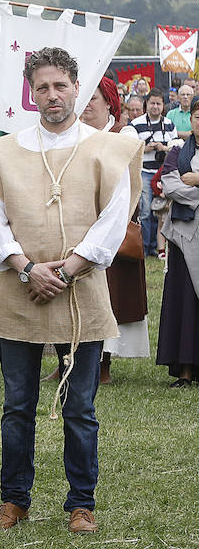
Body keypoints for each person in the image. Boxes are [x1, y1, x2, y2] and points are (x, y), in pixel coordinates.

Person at [0, 47, 142, 536]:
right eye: (42, 87)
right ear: (31, 93)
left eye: (61, 86)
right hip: (18, 289)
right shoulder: (3, 152)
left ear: (77, 88)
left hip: (81, 291)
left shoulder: (107, 148)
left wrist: (66, 271)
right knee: (17, 406)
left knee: (80, 407)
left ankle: (81, 503)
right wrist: (27, 268)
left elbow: (113, 221)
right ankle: (14, 501)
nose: (52, 95)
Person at [79, 78, 148, 383]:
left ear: (108, 102)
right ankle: (69, 357)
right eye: (82, 101)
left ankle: (103, 363)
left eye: (92, 99)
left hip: (113, 225)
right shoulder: (73, 135)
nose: (86, 107)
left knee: (111, 294)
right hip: (79, 223)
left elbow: (129, 181)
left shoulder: (124, 133)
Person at [156, 94, 199, 386]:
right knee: (185, 302)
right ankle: (184, 370)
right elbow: (169, 185)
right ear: (191, 120)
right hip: (184, 236)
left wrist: (197, 179)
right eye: (198, 117)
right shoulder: (178, 151)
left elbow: (183, 185)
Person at [130, 88, 178, 258]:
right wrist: (145, 147)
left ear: (163, 105)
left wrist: (163, 147)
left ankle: (158, 248)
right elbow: (130, 148)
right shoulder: (136, 124)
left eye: (158, 103)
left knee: (161, 213)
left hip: (163, 173)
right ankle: (144, 247)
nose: (155, 107)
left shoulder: (169, 124)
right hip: (144, 171)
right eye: (152, 103)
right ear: (146, 104)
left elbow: (175, 148)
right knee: (145, 211)